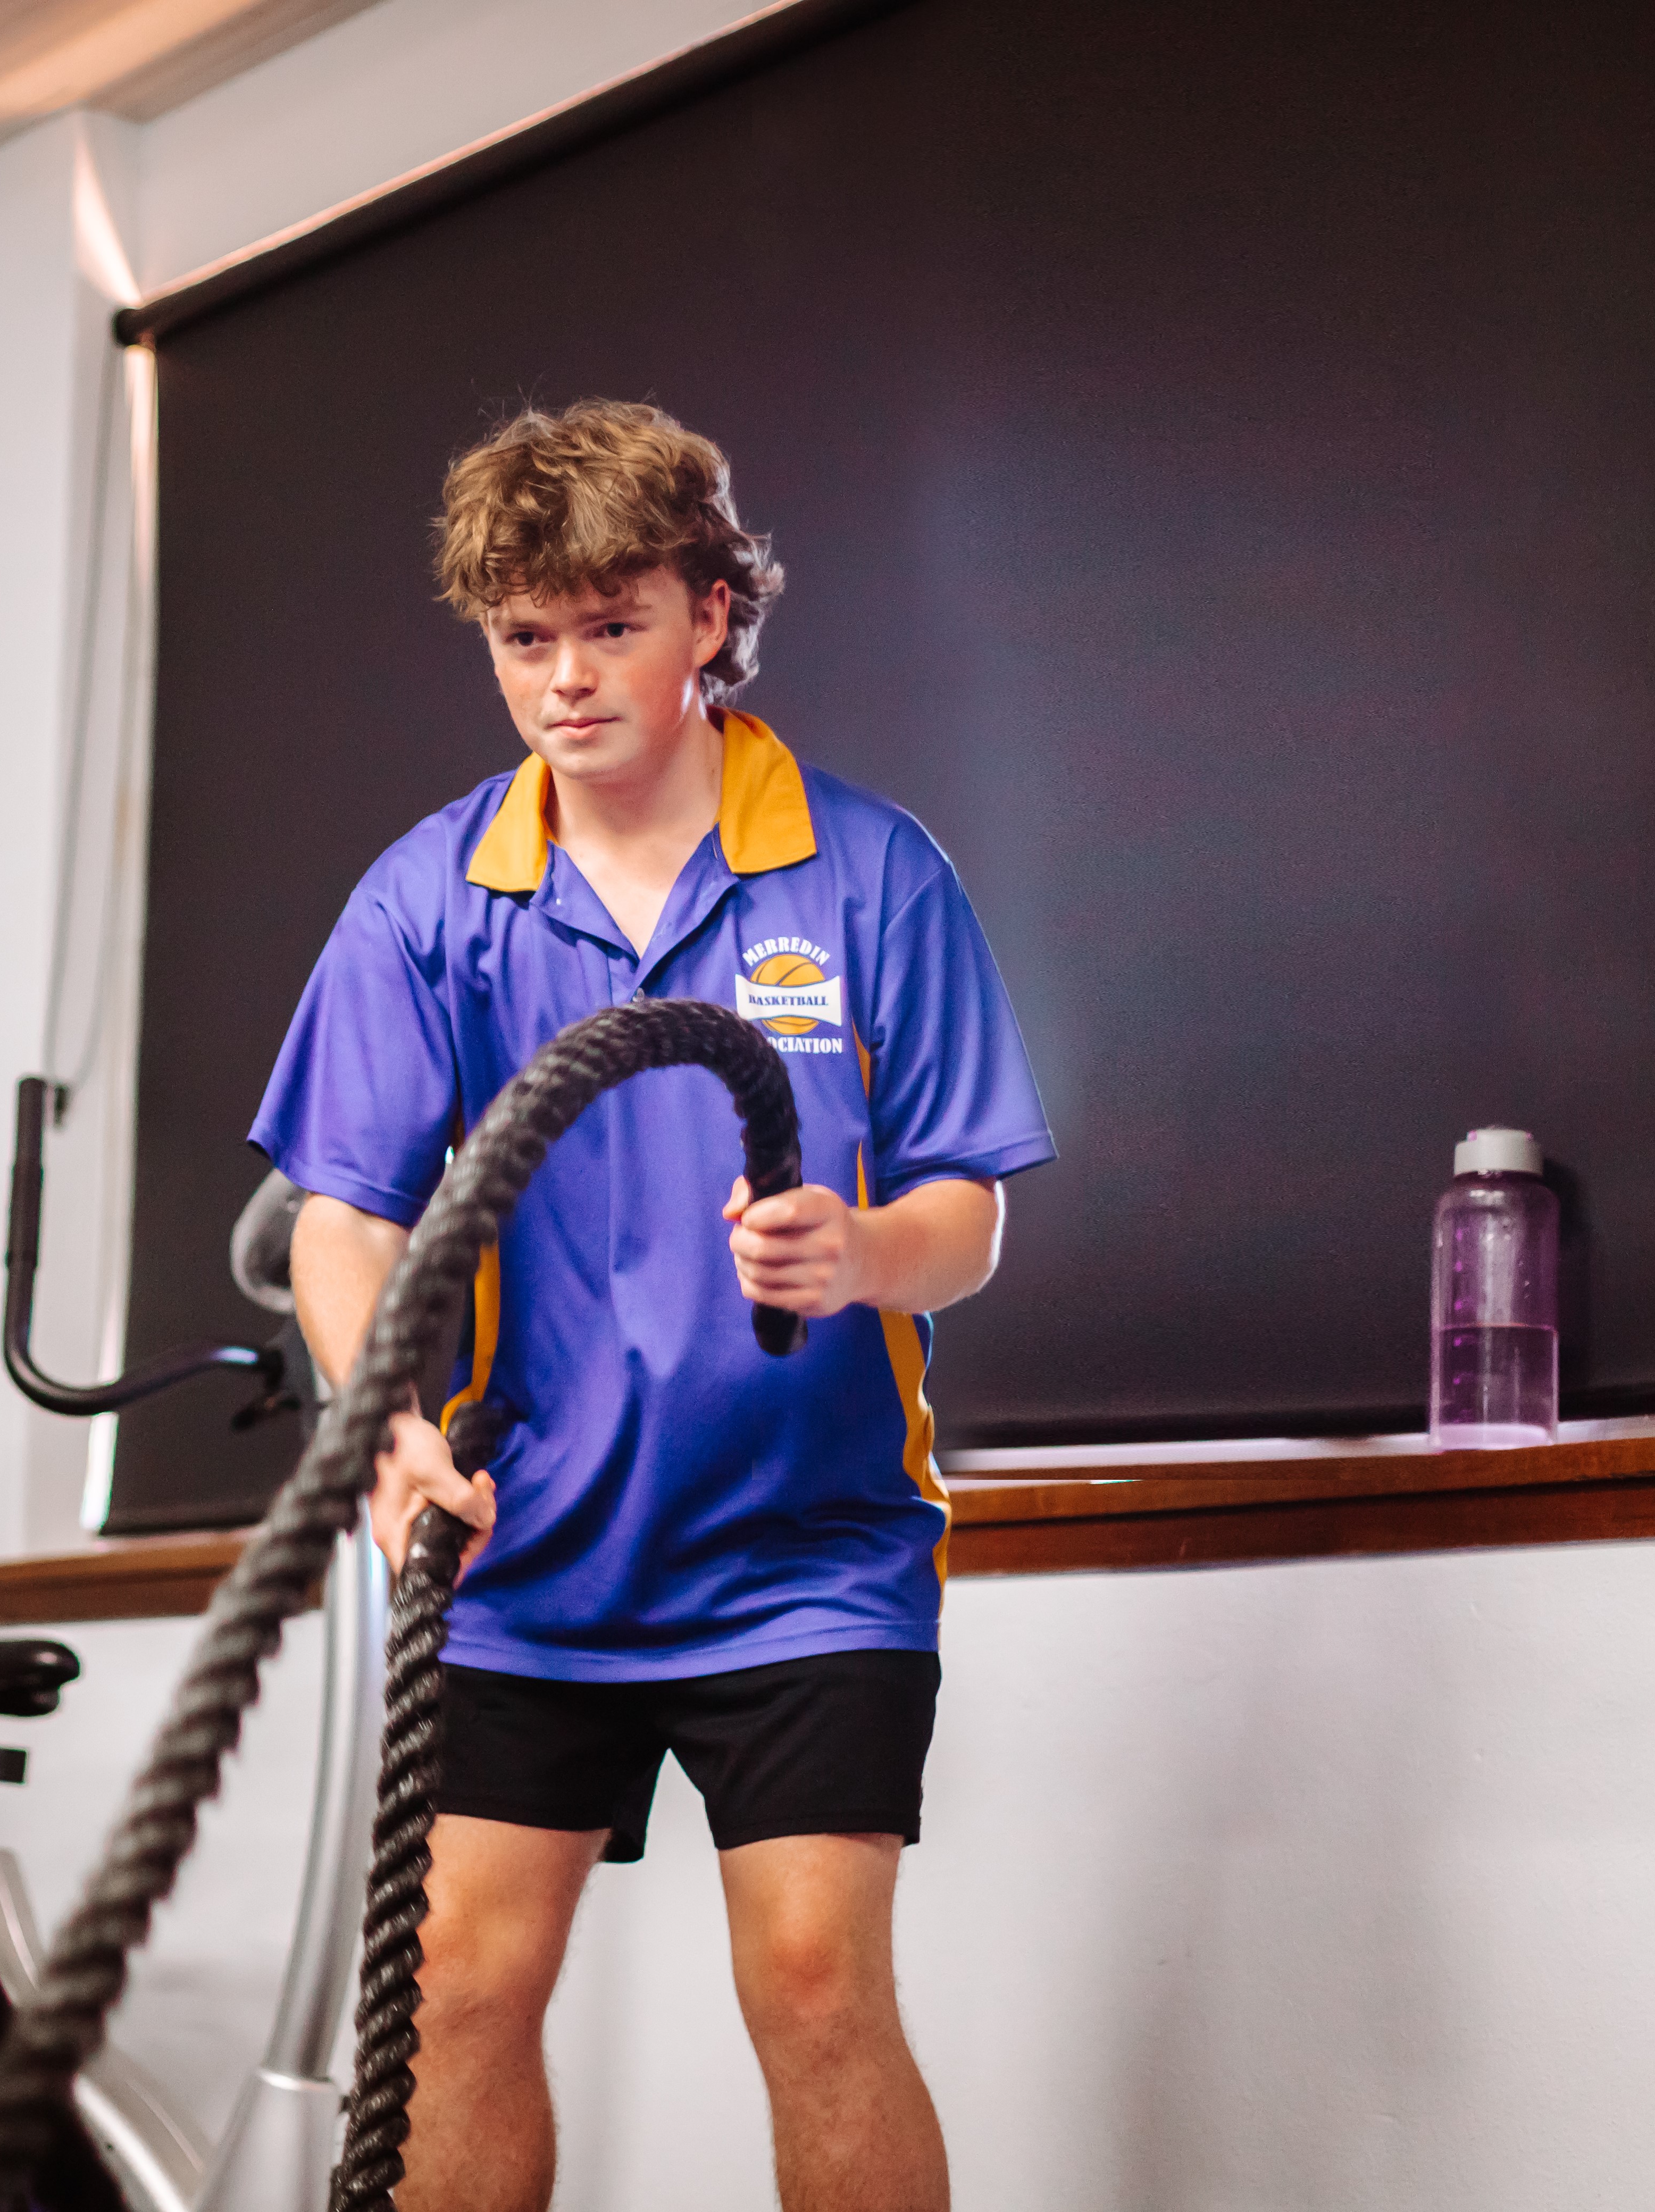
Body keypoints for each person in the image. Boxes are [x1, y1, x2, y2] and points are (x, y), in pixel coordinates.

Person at [257, 401, 1054, 2212]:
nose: (563, 678)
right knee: (458, 1993)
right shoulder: (431, 896)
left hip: (809, 1549)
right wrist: (377, 1426)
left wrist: (862, 1252)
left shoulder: (868, 870)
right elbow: (341, 1219)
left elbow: (968, 1213)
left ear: (712, 611)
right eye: (523, 640)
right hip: (528, 1551)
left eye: (609, 626)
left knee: (813, 1987)